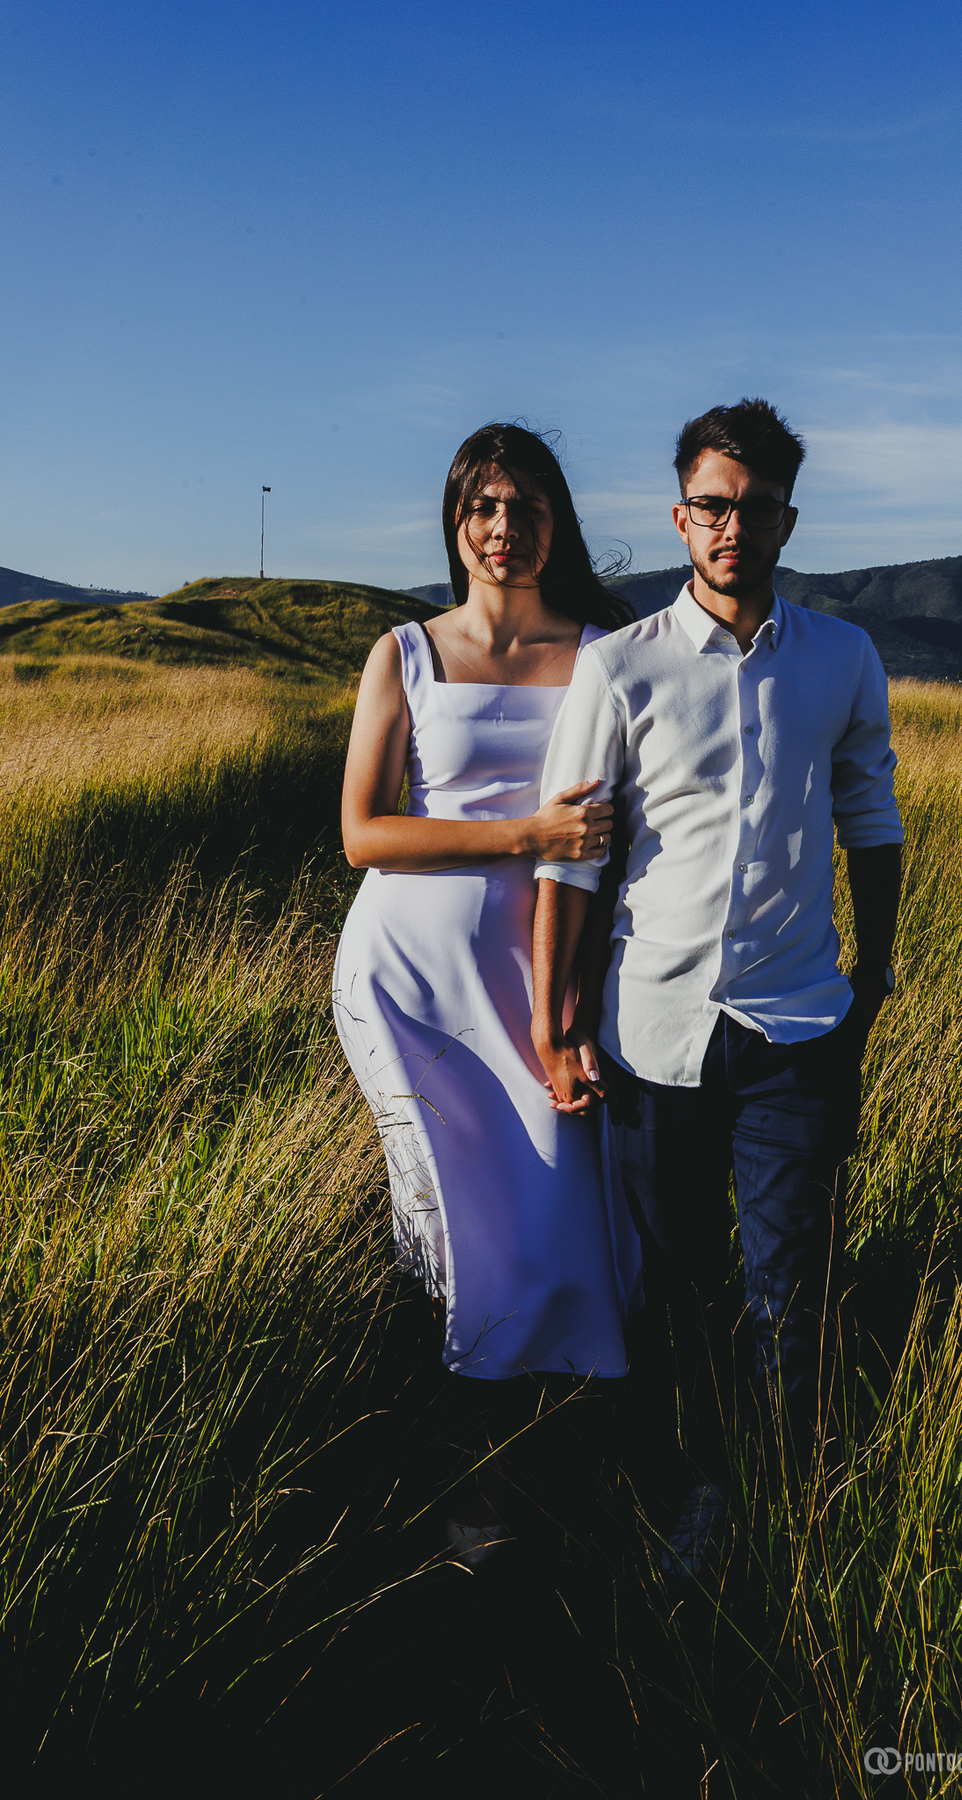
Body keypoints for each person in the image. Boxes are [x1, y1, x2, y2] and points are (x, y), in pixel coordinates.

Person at [530, 398, 903, 1576]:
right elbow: (573, 859)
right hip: (655, 1032)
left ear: (789, 517)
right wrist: (558, 1022)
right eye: (710, 505)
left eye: (753, 507)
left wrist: (875, 974)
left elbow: (870, 818)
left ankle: (782, 1506)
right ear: (680, 516)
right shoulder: (618, 667)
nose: (731, 526)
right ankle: (681, 1489)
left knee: (792, 1283)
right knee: (673, 1286)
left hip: (796, 1024)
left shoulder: (843, 658)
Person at [333, 423, 641, 1564]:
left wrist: (584, 995)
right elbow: (363, 834)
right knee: (451, 1236)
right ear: (457, 520)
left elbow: (625, 837)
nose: (504, 529)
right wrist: (526, 830)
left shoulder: (603, 652)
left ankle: (570, 1469)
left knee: (568, 1221)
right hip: (410, 988)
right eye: (483, 506)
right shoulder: (404, 652)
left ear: (556, 521)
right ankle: (467, 1496)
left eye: (526, 507)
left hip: (544, 985)